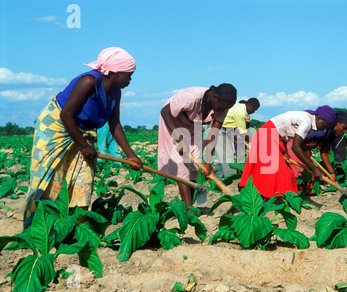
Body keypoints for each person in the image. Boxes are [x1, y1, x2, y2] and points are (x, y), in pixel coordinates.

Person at [22, 47, 143, 230]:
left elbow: (115, 124)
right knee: (50, 178)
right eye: (129, 75)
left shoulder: (116, 92)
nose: (130, 80)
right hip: (57, 127)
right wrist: (83, 144)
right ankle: (37, 230)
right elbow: (66, 115)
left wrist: (130, 156)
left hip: (82, 131)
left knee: (84, 179)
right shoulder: (88, 81)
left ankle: (78, 230)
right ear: (116, 73)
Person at [158, 84, 237, 208]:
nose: (222, 111)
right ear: (215, 97)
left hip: (194, 127)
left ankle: (190, 204)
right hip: (172, 122)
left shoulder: (223, 106)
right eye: (221, 107)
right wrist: (179, 138)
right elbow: (165, 112)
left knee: (195, 164)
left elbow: (213, 134)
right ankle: (188, 208)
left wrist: (208, 163)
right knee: (182, 164)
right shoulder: (192, 97)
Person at [238, 105, 336, 198]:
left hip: (271, 135)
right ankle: (270, 198)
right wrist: (314, 169)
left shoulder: (307, 119)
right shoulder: (307, 121)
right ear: (320, 118)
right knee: (279, 173)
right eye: (326, 125)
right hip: (268, 135)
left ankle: (270, 198)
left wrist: (284, 153)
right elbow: (296, 147)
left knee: (279, 172)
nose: (325, 128)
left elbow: (286, 134)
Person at [288, 111, 347, 183]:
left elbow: (324, 153)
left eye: (346, 129)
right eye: (344, 128)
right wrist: (305, 150)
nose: (345, 131)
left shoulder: (333, 135)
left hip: (302, 146)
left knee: (308, 173)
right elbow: (298, 140)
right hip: (293, 142)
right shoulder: (321, 129)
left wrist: (332, 173)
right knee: (299, 170)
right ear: (337, 123)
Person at [215, 98, 260, 178]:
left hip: (222, 128)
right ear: (250, 106)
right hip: (221, 129)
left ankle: (218, 177)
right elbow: (243, 134)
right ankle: (232, 178)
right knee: (228, 157)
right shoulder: (240, 113)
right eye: (254, 109)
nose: (254, 112)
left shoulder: (238, 106)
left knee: (221, 156)